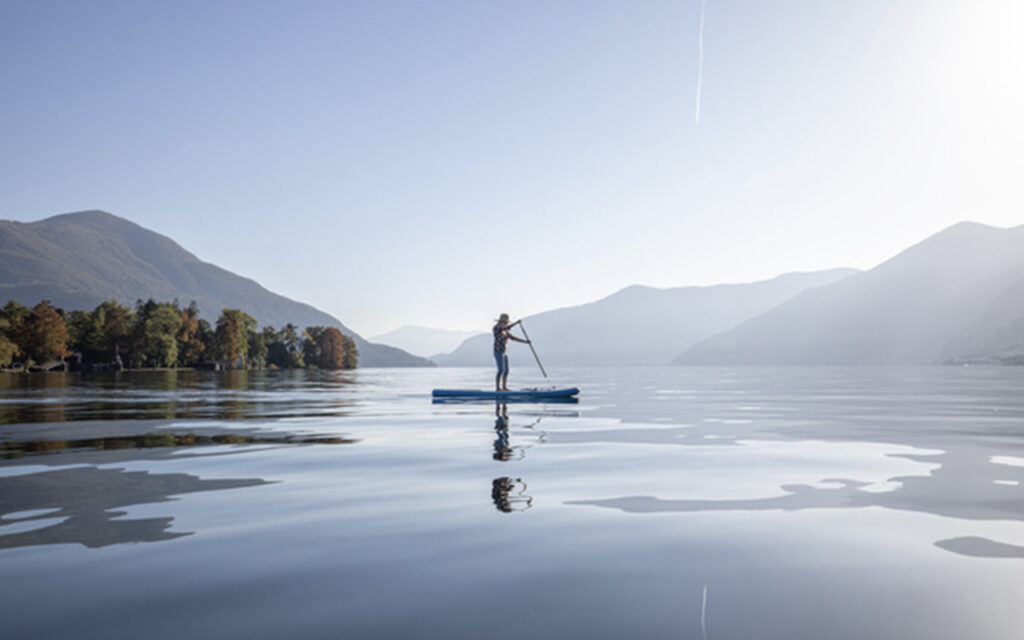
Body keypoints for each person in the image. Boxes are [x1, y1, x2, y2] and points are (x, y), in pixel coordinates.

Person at [493, 313, 530, 391]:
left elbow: (513, 338)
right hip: (498, 351)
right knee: (500, 370)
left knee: (506, 370)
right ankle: (497, 388)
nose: (506, 323)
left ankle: (504, 387)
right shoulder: (497, 327)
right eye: (505, 321)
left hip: (504, 352)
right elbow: (507, 327)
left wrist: (525, 341)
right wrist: (516, 323)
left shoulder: (505, 331)